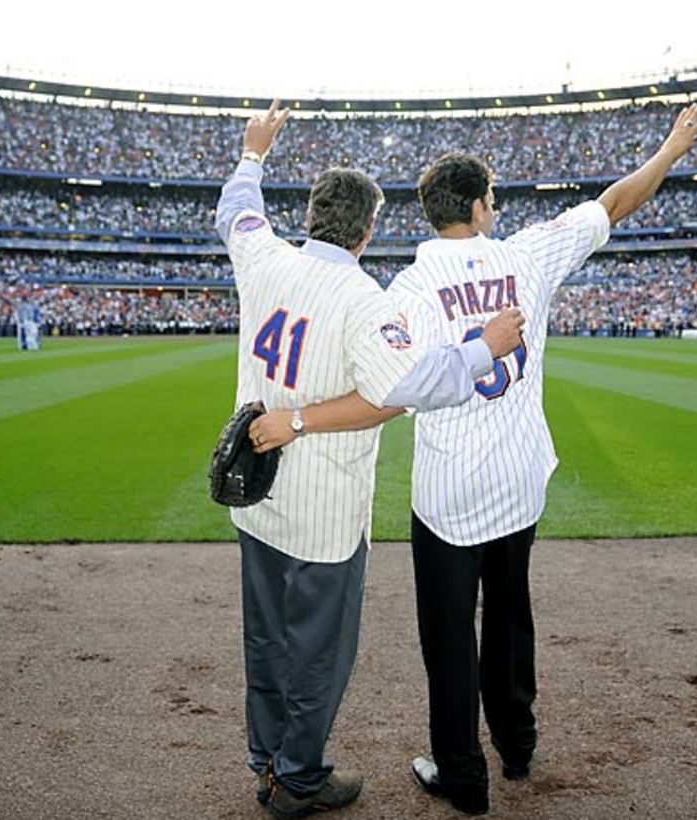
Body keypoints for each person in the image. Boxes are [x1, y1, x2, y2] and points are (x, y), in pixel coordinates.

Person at [254, 102, 697, 815]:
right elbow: (616, 201)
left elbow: (388, 388)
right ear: (475, 205)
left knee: (448, 635)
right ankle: (518, 744)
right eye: (493, 199)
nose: (497, 208)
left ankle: (463, 775)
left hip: (448, 490)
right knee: (511, 614)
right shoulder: (526, 254)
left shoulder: (405, 288)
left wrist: (299, 419)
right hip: (519, 475)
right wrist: (672, 147)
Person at [214, 100, 526, 820]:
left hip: (257, 496)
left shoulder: (262, 258)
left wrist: (254, 152)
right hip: (323, 513)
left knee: (264, 640)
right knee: (317, 652)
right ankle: (296, 780)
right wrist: (484, 346)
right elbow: (406, 386)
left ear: (314, 213)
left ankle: (265, 758)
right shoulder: (365, 299)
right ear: (368, 229)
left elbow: (236, 210)